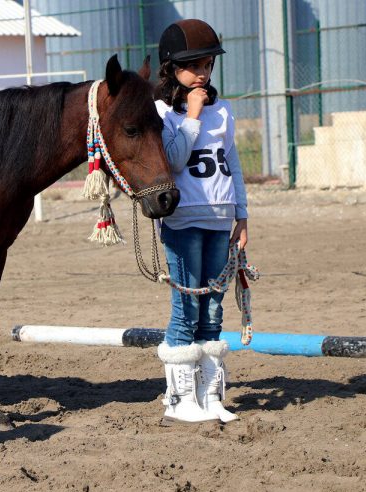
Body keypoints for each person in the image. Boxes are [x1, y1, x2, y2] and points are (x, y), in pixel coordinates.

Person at [154, 19, 249, 424]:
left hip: (219, 218)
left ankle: (210, 397)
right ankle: (179, 400)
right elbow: (173, 160)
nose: (202, 73)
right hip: (182, 221)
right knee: (186, 309)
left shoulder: (224, 110)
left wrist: (242, 217)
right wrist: (191, 115)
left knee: (213, 311)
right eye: (193, 66)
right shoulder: (161, 112)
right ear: (172, 69)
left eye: (207, 64)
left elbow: (234, 167)